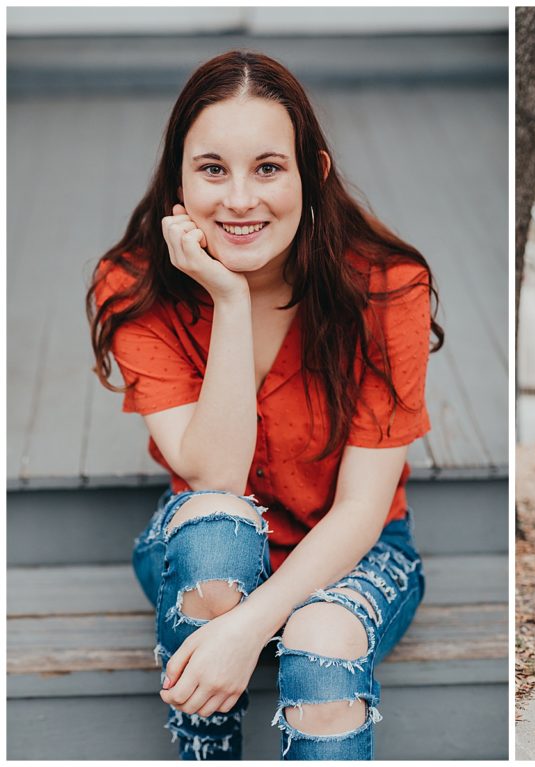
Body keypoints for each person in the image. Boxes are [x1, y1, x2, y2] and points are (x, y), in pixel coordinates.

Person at [87, 50, 442, 760]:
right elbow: (215, 476)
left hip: (353, 551)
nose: (240, 200)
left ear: (314, 173)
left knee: (324, 638)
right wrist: (228, 295)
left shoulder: (386, 285)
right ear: (178, 179)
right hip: (204, 553)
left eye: (269, 168)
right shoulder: (132, 286)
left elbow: (363, 509)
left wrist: (251, 629)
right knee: (218, 531)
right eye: (213, 169)